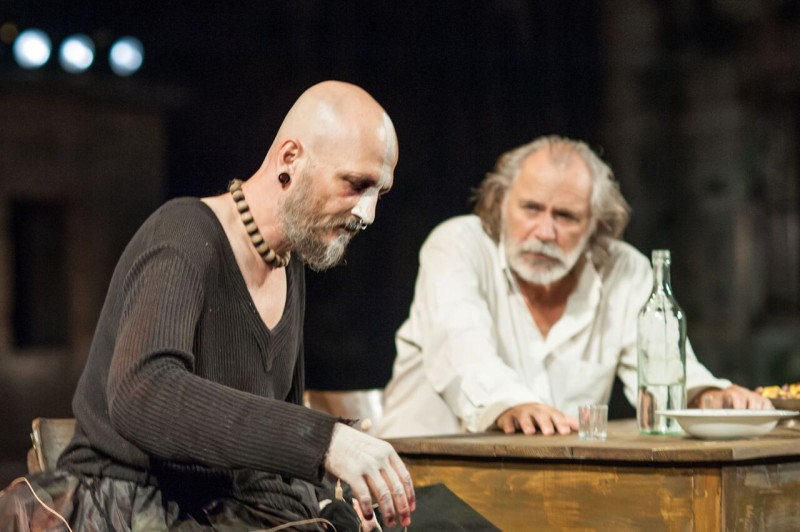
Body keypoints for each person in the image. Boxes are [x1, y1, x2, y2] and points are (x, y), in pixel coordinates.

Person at [0, 81, 414, 531]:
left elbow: (271, 463)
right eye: (356, 185)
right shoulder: (183, 234)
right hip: (130, 503)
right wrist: (324, 441)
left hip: (223, 509)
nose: (367, 214)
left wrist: (329, 506)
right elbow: (142, 394)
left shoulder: (288, 266)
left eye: (378, 194)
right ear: (290, 159)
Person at [376, 135, 772, 439]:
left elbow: (662, 369)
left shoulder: (624, 270)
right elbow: (459, 343)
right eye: (531, 208)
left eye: (565, 216)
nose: (545, 232)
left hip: (549, 488)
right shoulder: (457, 244)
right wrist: (510, 404)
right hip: (418, 486)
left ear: (596, 225)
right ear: (500, 203)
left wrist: (704, 395)